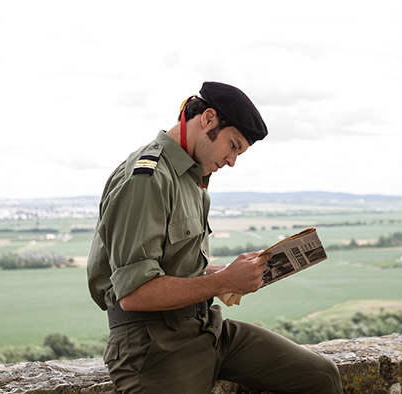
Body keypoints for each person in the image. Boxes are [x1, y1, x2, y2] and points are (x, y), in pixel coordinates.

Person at [87, 81, 343, 394]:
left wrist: (229, 274)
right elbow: (135, 293)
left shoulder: (194, 178)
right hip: (153, 345)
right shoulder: (148, 178)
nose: (233, 160)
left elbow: (173, 269)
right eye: (233, 145)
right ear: (208, 119)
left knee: (320, 376)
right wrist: (222, 283)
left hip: (207, 327)